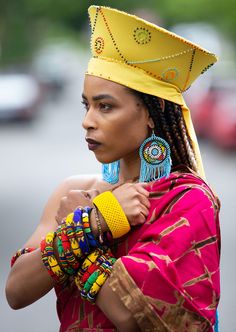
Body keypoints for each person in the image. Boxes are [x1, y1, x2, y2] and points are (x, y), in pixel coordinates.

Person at [5, 5, 220, 332]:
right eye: (86, 105)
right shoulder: (73, 191)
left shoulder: (188, 200)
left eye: (105, 106)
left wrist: (80, 233)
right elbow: (16, 291)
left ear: (153, 111)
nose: (87, 121)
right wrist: (92, 221)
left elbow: (133, 316)